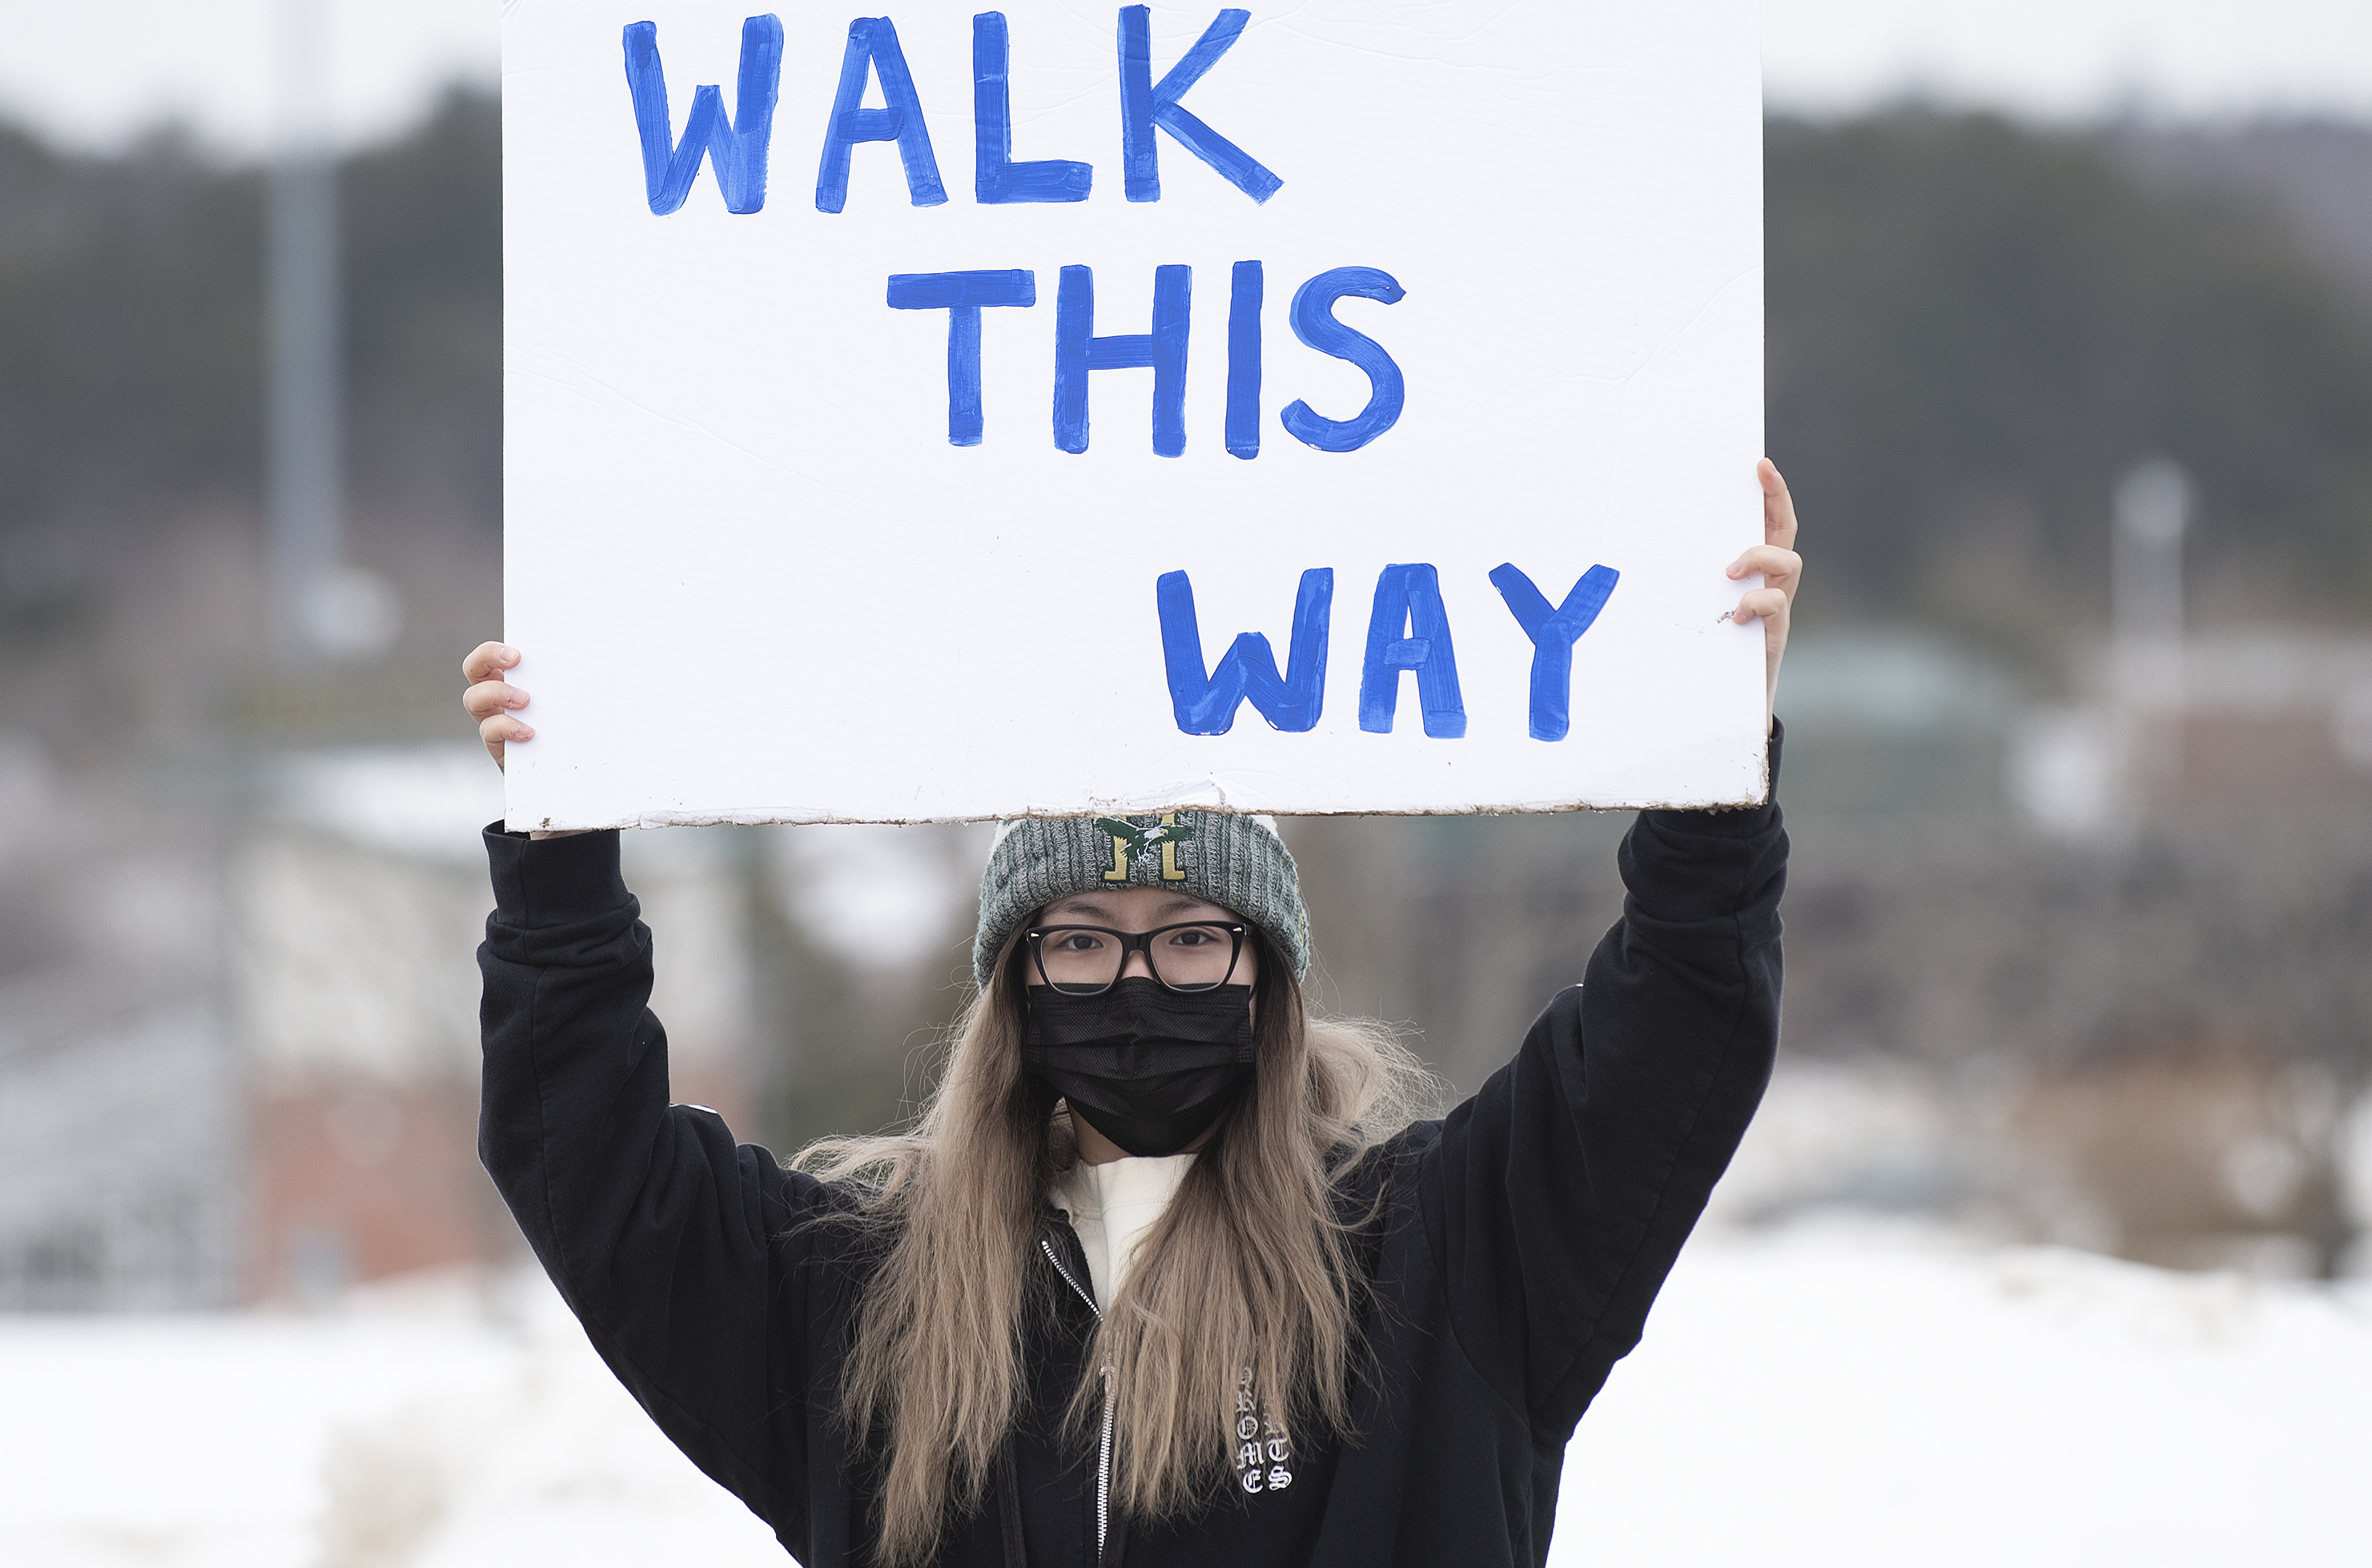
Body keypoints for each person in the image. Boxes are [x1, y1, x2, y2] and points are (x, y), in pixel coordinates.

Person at [464, 460, 1801, 1568]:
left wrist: (1708, 747)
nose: (1139, 982)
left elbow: (1673, 1026)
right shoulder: (864, 1299)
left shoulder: (1443, 1255)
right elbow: (587, 1156)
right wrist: (558, 845)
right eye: (1083, 941)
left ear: (1271, 979)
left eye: (1196, 938)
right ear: (1012, 987)